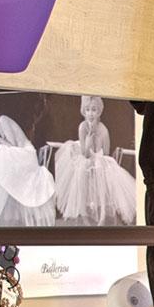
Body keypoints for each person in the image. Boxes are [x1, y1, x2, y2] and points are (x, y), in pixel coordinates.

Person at [52, 95, 137, 225]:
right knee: (81, 169)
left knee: (101, 166)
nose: (90, 114)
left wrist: (98, 154)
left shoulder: (103, 129)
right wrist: (88, 140)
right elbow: (85, 154)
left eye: (93, 110)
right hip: (85, 155)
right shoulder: (82, 127)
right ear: (84, 111)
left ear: (99, 112)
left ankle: (102, 213)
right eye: (87, 110)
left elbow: (106, 153)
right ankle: (83, 213)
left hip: (99, 158)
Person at [0, 113, 55, 226]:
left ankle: (1, 208)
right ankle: (2, 209)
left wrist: (1, 141)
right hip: (17, 158)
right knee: (0, 160)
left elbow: (15, 146)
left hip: (26, 154)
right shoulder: (0, 144)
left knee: (0, 157)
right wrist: (0, 143)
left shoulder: (3, 121)